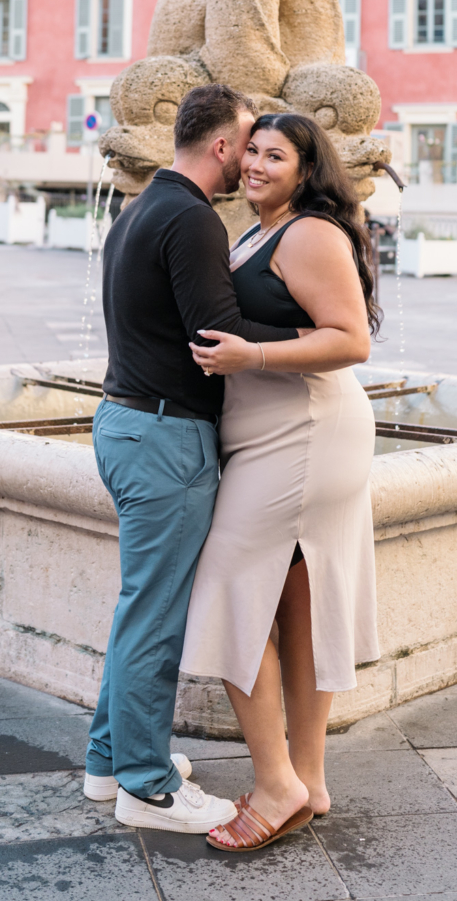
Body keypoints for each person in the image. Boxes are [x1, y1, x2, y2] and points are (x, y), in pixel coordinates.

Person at [84, 84, 302, 834]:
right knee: (157, 614)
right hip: (165, 435)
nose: (251, 156)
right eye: (248, 142)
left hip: (123, 423)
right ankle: (146, 786)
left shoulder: (139, 206)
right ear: (221, 146)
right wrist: (301, 312)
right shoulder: (193, 218)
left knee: (138, 603)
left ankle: (110, 758)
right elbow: (217, 339)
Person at [180, 111, 382, 853]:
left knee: (228, 588)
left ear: (306, 168)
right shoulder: (261, 230)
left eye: (276, 155)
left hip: (304, 434)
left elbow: (351, 339)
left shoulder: (310, 233)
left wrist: (250, 359)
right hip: (276, 433)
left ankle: (275, 786)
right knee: (299, 605)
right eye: (253, 152)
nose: (258, 165)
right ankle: (309, 778)